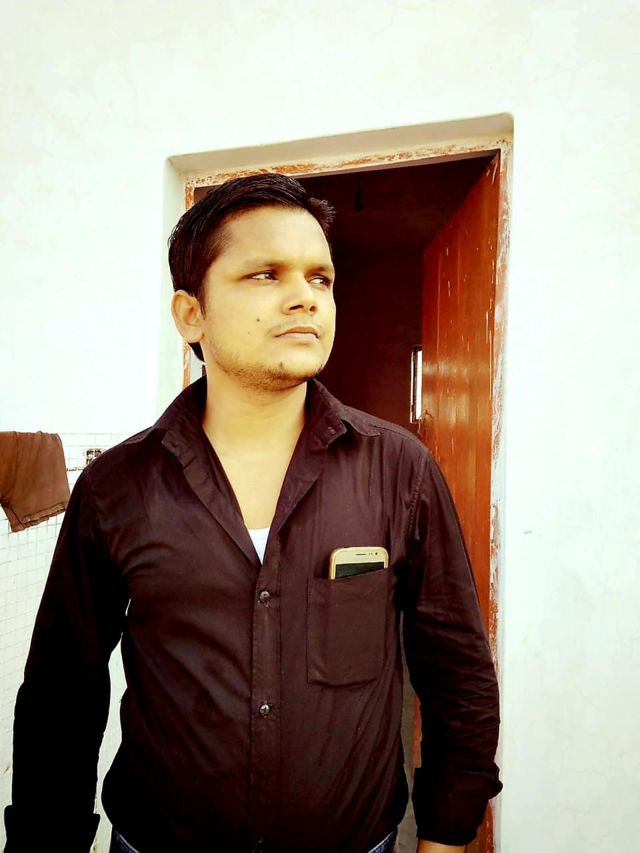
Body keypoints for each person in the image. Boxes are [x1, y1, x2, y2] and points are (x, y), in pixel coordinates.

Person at [5, 174, 502, 853]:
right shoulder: (116, 488)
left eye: (321, 278)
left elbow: (456, 668)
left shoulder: (399, 471)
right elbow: (61, 694)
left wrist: (446, 832)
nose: (305, 296)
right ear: (191, 314)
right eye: (265, 274)